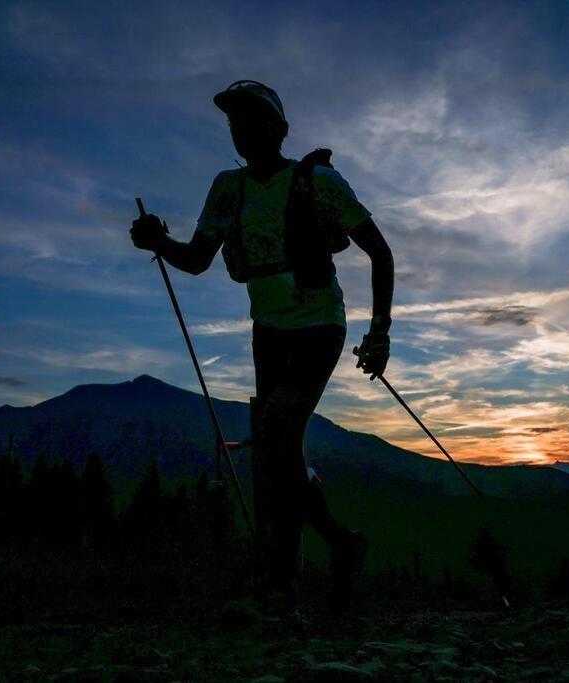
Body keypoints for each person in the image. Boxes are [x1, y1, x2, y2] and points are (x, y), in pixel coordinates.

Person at [130, 80, 394, 612]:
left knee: (277, 433)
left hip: (321, 323)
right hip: (268, 328)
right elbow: (199, 259)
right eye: (234, 122)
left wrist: (379, 330)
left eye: (251, 119)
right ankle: (319, 559)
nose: (241, 129)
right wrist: (158, 242)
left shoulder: (317, 180)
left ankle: (309, 562)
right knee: (280, 449)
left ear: (279, 129)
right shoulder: (228, 188)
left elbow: (379, 252)